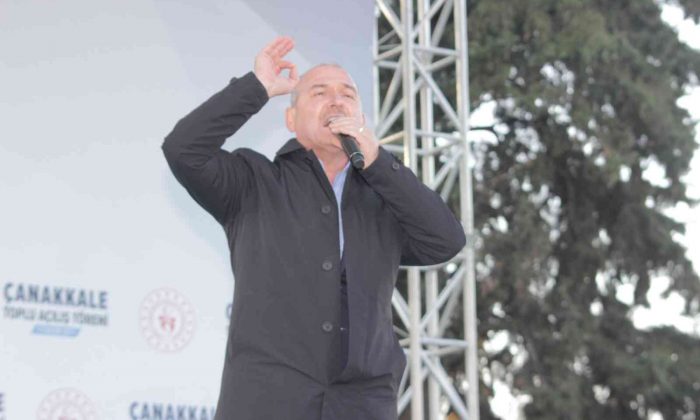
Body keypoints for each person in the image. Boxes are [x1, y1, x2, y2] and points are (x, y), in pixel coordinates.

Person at [162, 36, 466, 420]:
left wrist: (377, 161)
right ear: (291, 120)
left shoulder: (385, 200)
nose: (337, 101)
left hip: (363, 404)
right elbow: (183, 149)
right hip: (266, 402)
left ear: (362, 119)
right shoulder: (254, 182)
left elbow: (446, 240)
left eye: (348, 95)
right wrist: (256, 87)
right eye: (319, 93)